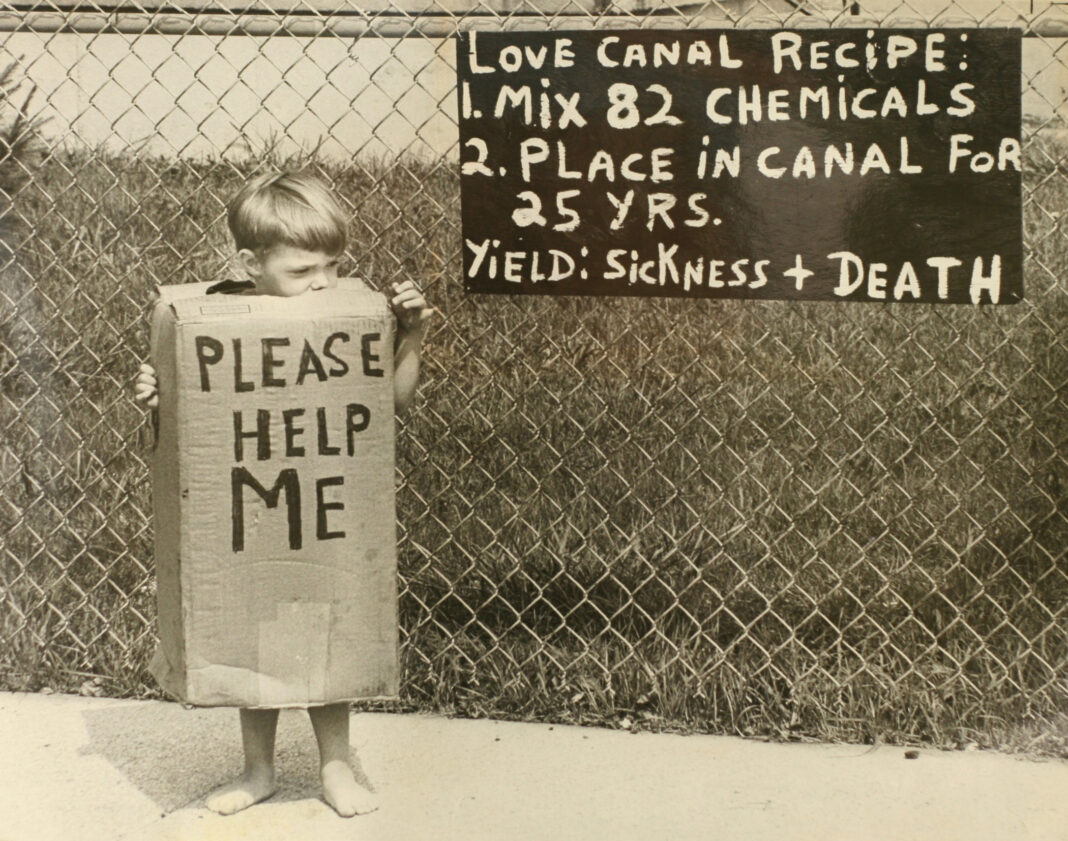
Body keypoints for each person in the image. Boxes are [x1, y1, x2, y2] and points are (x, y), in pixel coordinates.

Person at [134, 170, 431, 817]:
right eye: (303, 270)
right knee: (252, 637)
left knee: (326, 636)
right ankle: (259, 769)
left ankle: (335, 768)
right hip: (251, 516)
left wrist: (412, 335)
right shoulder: (219, 322)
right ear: (250, 263)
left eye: (332, 266)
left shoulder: (338, 324)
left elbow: (391, 402)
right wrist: (160, 392)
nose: (322, 282)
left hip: (320, 519)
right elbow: (182, 427)